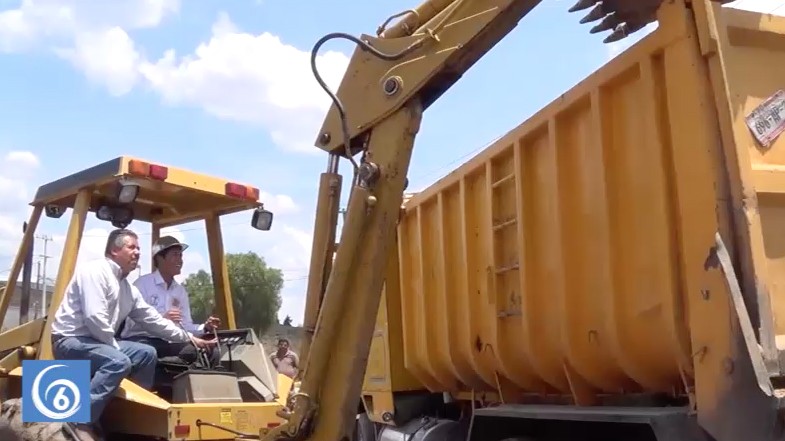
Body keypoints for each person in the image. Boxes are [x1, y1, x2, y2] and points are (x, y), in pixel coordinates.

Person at [50, 229, 217, 440]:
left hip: (98, 343)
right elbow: (95, 319)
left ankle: (130, 423)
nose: (137, 252)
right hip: (70, 341)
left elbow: (153, 320)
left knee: (146, 353)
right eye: (132, 247)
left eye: (138, 248)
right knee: (118, 361)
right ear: (114, 250)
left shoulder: (127, 288)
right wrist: (115, 348)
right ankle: (78, 420)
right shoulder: (94, 271)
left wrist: (189, 338)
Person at [120, 235, 222, 366]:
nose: (180, 260)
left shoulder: (180, 291)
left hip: (170, 341)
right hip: (141, 340)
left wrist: (205, 327)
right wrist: (162, 318)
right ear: (159, 258)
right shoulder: (142, 284)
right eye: (175, 255)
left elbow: (186, 326)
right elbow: (130, 323)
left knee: (208, 351)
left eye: (181, 256)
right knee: (151, 351)